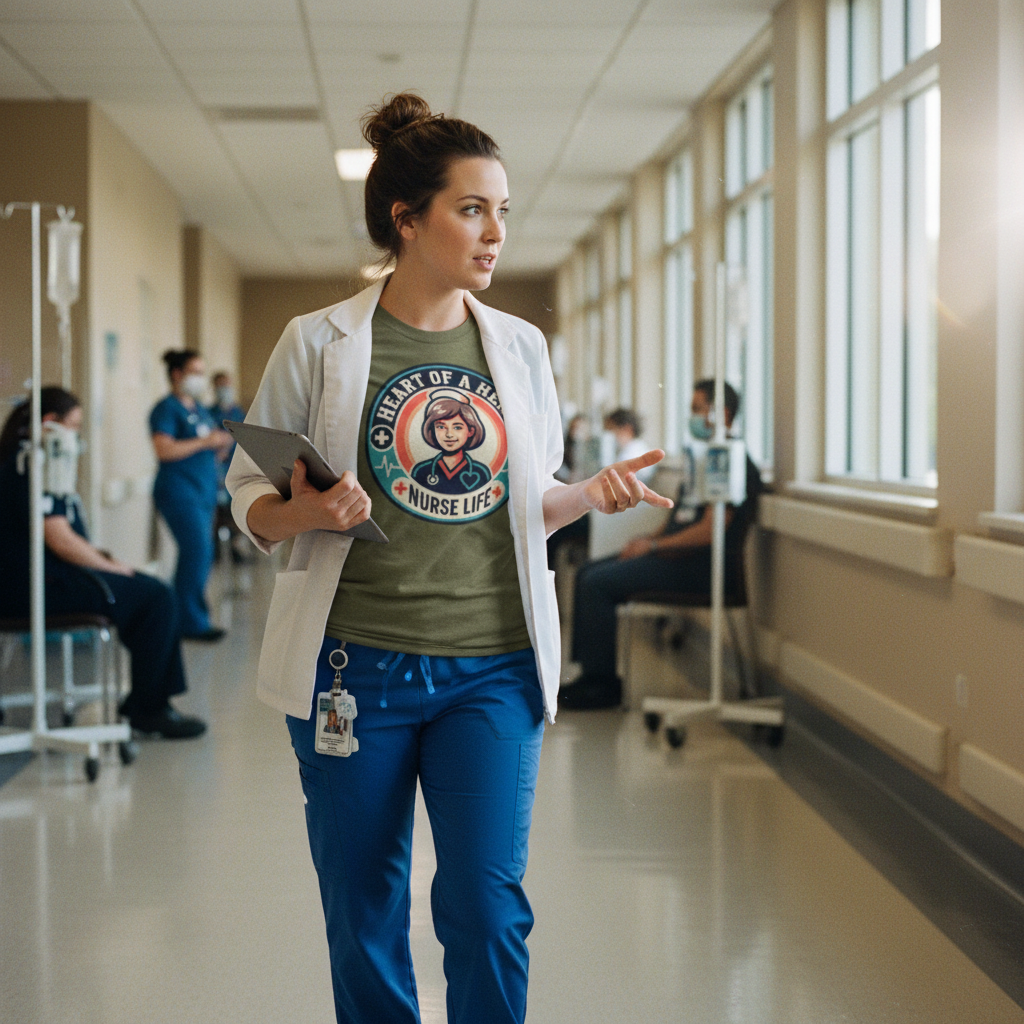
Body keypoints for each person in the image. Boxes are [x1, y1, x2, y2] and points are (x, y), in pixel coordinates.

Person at [226, 92, 672, 1024]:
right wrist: (300, 508)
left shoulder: (519, 346)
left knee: (485, 907)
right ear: (408, 218)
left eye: (502, 210)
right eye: (473, 208)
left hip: (493, 668)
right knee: (364, 907)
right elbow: (251, 505)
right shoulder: (317, 342)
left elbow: (524, 507)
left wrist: (588, 495)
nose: (494, 232)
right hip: (354, 668)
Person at [0, 387, 206, 738]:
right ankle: (150, 709)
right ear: (49, 424)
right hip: (34, 589)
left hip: (46, 580)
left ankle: (146, 701)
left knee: (149, 592)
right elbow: (60, 540)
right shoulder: (27, 467)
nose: (77, 436)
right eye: (74, 426)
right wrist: (113, 568)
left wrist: (105, 560)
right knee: (155, 598)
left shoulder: (34, 464)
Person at [560, 379, 764, 710]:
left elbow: (709, 532)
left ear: (722, 413)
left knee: (598, 583)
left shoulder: (731, 463)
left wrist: (654, 549)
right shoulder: (702, 459)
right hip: (675, 557)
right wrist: (648, 540)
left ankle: (602, 687)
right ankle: (589, 676)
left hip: (702, 568)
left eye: (698, 410)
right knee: (589, 571)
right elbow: (681, 519)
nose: (692, 417)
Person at [150, 350, 232, 640]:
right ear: (177, 374)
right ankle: (190, 623)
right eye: (195, 371)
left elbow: (207, 442)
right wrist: (204, 441)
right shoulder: (166, 409)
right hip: (179, 491)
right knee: (196, 554)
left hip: (203, 491)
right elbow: (165, 449)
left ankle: (190, 618)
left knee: (202, 555)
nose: (200, 378)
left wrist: (218, 444)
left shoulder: (198, 409)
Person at [207, 370, 248, 563]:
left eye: (227, 385)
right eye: (220, 385)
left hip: (238, 469)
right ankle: (216, 546)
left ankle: (235, 547)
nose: (224, 389)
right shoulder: (208, 413)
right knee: (217, 510)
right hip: (214, 473)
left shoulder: (239, 414)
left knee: (237, 508)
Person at [603, 408, 656, 483]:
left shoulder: (631, 455)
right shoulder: (637, 448)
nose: (608, 436)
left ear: (627, 429)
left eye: (611, 429)